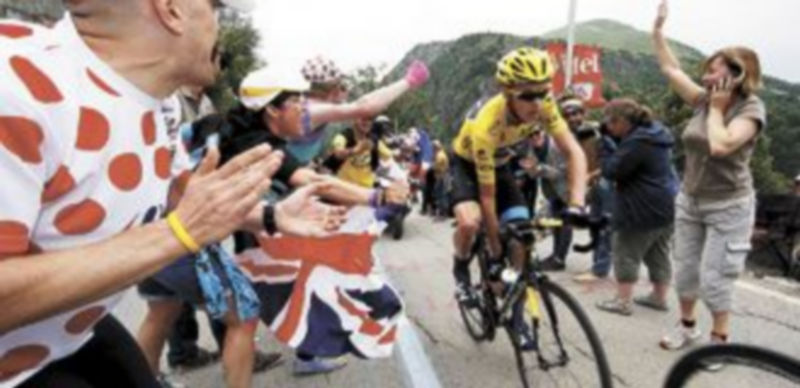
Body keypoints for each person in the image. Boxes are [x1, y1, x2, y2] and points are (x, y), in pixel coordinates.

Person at [0, 1, 343, 387]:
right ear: (171, 9)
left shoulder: (160, 104)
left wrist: (271, 216)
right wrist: (176, 234)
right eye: (214, 6)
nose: (219, 26)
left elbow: (181, 196)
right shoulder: (15, 83)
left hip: (71, 332)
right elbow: (183, 223)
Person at [197, 66, 410, 375]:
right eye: (296, 101)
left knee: (250, 304)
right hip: (189, 238)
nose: (304, 107)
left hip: (219, 228)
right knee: (250, 313)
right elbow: (314, 181)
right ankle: (305, 350)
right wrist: (378, 197)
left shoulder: (246, 131)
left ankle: (304, 349)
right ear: (271, 108)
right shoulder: (259, 142)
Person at [449, 47, 588, 347]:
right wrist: (496, 251)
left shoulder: (546, 105)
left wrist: (576, 204)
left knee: (522, 236)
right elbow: (486, 197)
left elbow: (574, 152)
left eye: (543, 92)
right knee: (471, 223)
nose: (537, 103)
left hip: (500, 165)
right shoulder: (488, 123)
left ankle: (515, 315)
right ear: (507, 92)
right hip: (466, 165)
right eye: (527, 95)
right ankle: (460, 266)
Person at [654, 0, 767, 350]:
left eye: (713, 71)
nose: (705, 77)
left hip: (729, 205)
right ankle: (687, 327)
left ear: (736, 76)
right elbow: (672, 71)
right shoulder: (704, 100)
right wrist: (658, 32)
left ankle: (720, 342)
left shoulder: (750, 109)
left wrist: (718, 110)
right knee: (686, 272)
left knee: (716, 280)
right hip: (691, 199)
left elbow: (721, 145)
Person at [594, 99, 679, 316]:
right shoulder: (657, 133)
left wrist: (603, 149)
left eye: (611, 123)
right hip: (666, 202)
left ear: (622, 121)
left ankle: (623, 301)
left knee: (625, 250)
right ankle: (659, 298)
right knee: (658, 252)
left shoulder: (637, 142)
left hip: (640, 206)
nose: (609, 128)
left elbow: (613, 171)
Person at [285, 55, 429, 166]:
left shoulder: (305, 104)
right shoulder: (314, 110)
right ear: (334, 89)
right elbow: (365, 107)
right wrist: (409, 81)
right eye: (341, 86)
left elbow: (361, 102)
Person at [558, 96, 614, 282]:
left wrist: (591, 175)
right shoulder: (567, 136)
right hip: (587, 185)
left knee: (603, 227)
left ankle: (600, 269)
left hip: (603, 183)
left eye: (576, 113)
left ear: (584, 113)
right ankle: (599, 266)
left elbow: (612, 161)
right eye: (567, 114)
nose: (572, 117)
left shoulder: (598, 132)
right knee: (595, 226)